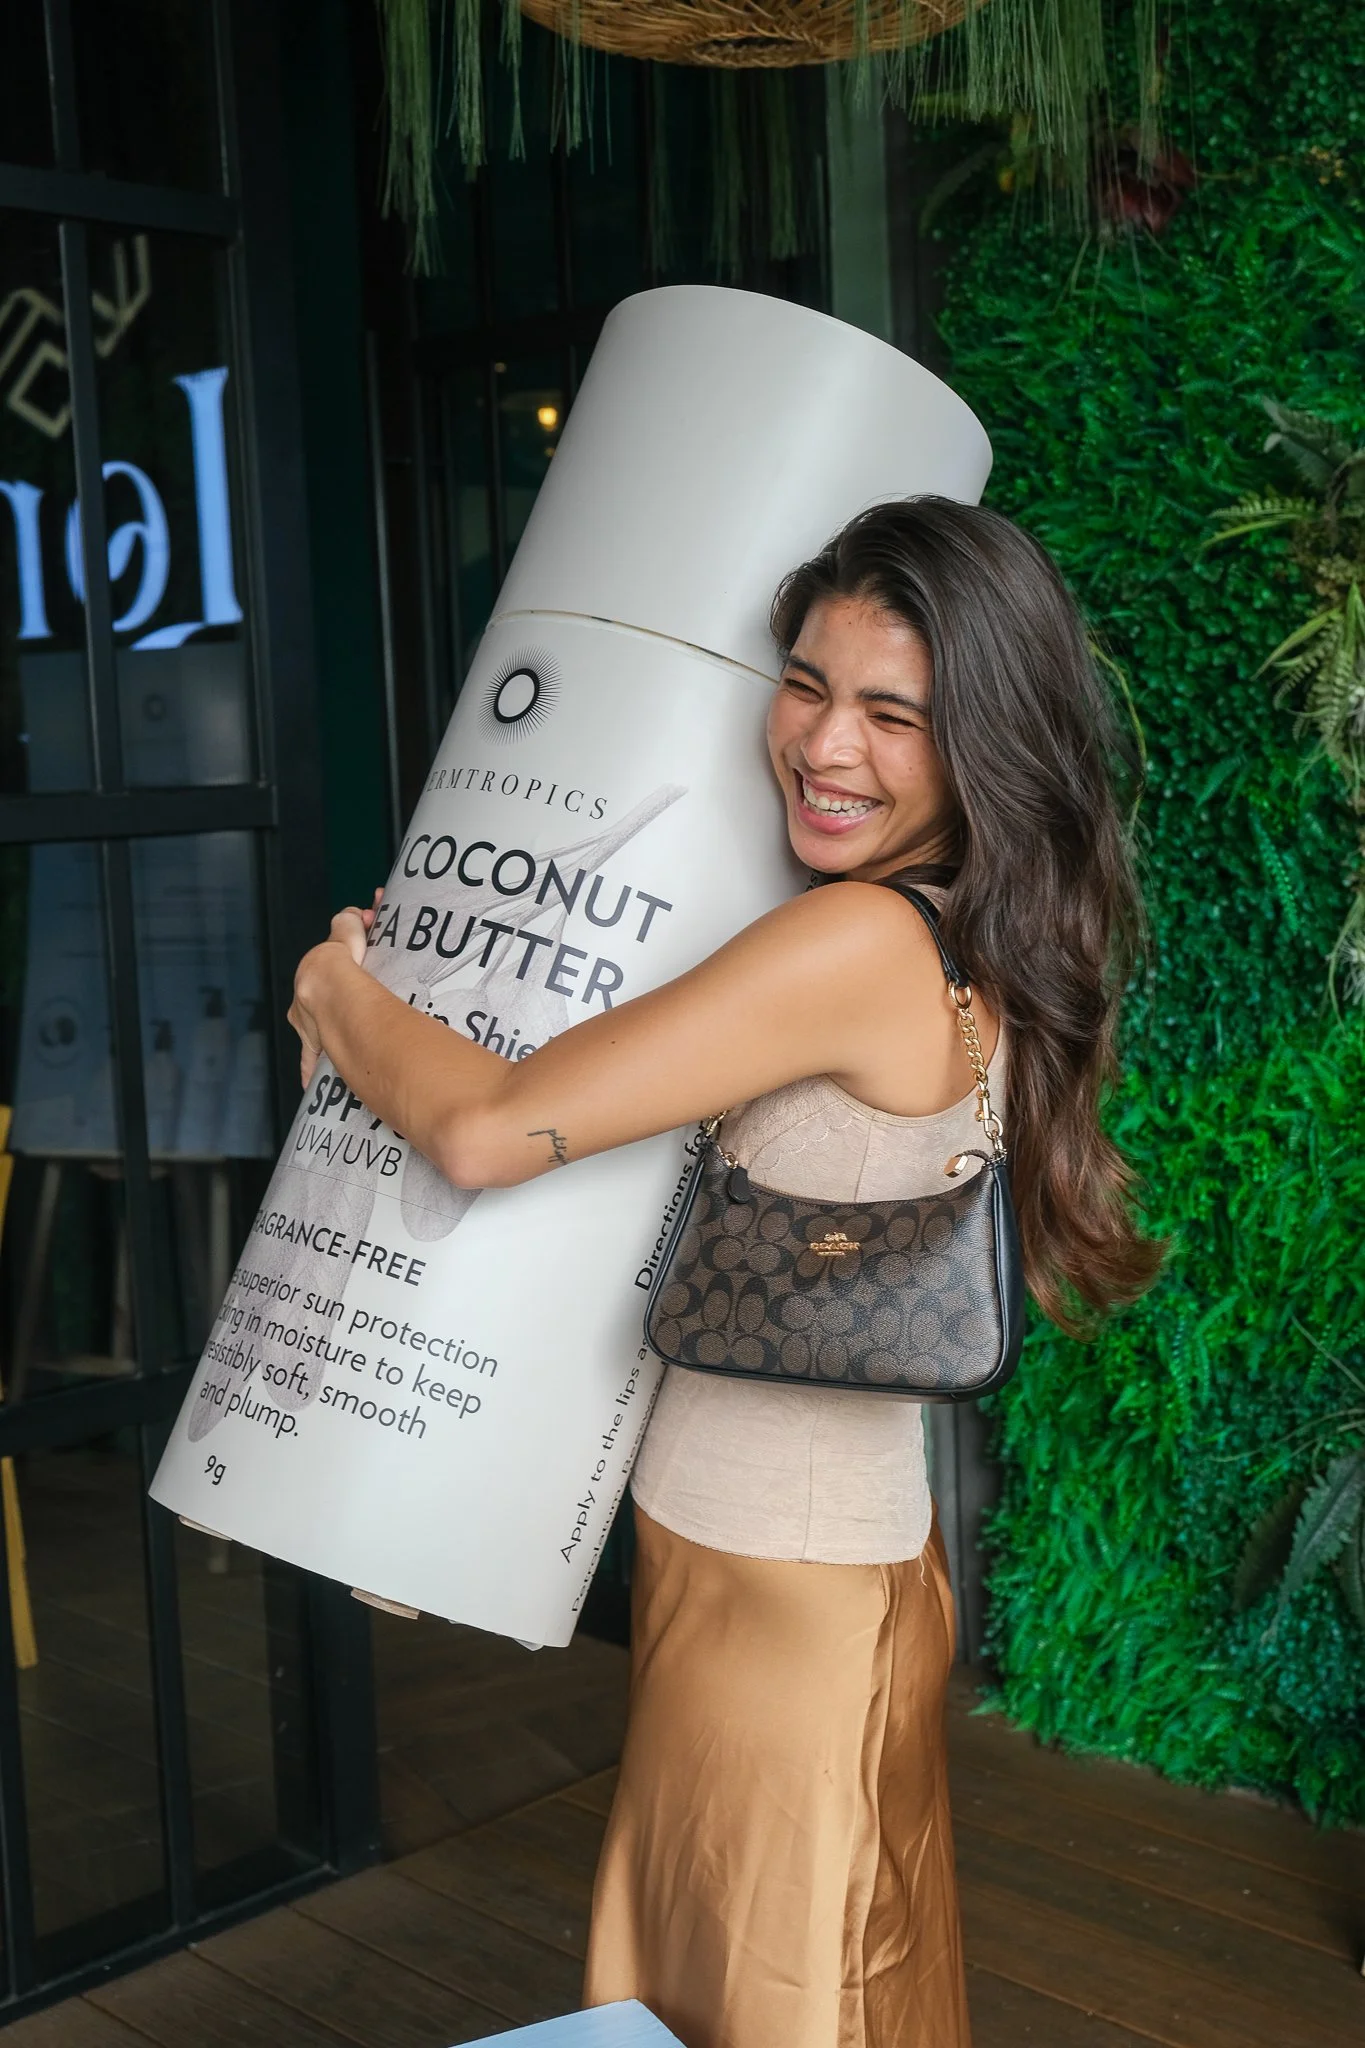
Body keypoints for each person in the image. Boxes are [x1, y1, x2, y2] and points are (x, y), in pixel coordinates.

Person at [289, 497, 1162, 2048]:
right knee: (741, 1995)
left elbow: (490, 1130)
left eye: (893, 714)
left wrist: (338, 995)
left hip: (790, 1591)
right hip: (764, 1567)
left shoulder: (860, 944)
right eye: (807, 684)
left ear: (982, 740)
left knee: (775, 2004)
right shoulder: (946, 923)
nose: (825, 744)